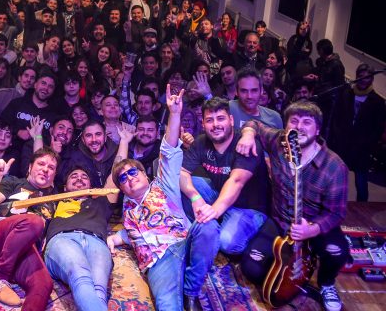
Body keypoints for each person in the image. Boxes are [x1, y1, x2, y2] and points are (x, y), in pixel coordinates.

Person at [106, 84, 220, 311]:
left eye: (133, 172)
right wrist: (113, 239)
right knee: (167, 306)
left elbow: (168, 150)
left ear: (144, 174)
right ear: (122, 188)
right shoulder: (128, 212)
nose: (129, 178)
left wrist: (174, 113)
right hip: (158, 262)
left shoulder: (162, 184)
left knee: (208, 226)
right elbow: (131, 234)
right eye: (123, 178)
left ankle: (190, 290)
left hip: (183, 242)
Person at [237, 101, 349, 311]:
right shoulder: (278, 141)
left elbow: (336, 212)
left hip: (315, 226)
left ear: (318, 130)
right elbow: (254, 123)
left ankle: (326, 283)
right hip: (280, 221)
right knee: (251, 268)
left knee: (337, 252)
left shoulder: (334, 166)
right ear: (286, 126)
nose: (299, 127)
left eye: (307, 122)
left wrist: (311, 230)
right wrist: (248, 134)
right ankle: (289, 266)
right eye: (294, 121)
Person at [180, 97, 270, 257]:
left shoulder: (246, 144)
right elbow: (182, 172)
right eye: (209, 120)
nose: (215, 125)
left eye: (221, 118)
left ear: (231, 120)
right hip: (220, 195)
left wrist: (213, 211)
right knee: (186, 185)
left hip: (249, 208)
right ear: (203, 124)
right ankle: (204, 226)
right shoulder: (201, 142)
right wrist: (195, 197)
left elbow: (236, 181)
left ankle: (218, 225)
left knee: (226, 242)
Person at [0, 149, 58, 310]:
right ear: (30, 167)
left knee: (44, 284)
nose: (45, 169)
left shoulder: (55, 200)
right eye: (41, 164)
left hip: (24, 251)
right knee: (34, 222)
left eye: (51, 167)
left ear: (54, 175)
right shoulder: (14, 182)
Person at [43, 166, 116, 311]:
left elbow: (115, 171)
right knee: (80, 275)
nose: (79, 178)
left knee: (99, 290)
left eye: (84, 177)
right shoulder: (55, 200)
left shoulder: (102, 201)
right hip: (63, 239)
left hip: (96, 242)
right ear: (65, 187)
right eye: (74, 176)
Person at [329, 64, 386, 201]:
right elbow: (336, 117)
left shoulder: (377, 101)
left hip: (362, 149)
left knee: (361, 183)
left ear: (372, 79)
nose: (363, 80)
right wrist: (337, 137)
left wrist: (367, 144)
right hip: (343, 144)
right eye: (360, 76)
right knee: (336, 180)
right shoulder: (346, 94)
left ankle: (362, 208)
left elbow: (378, 128)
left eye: (367, 77)